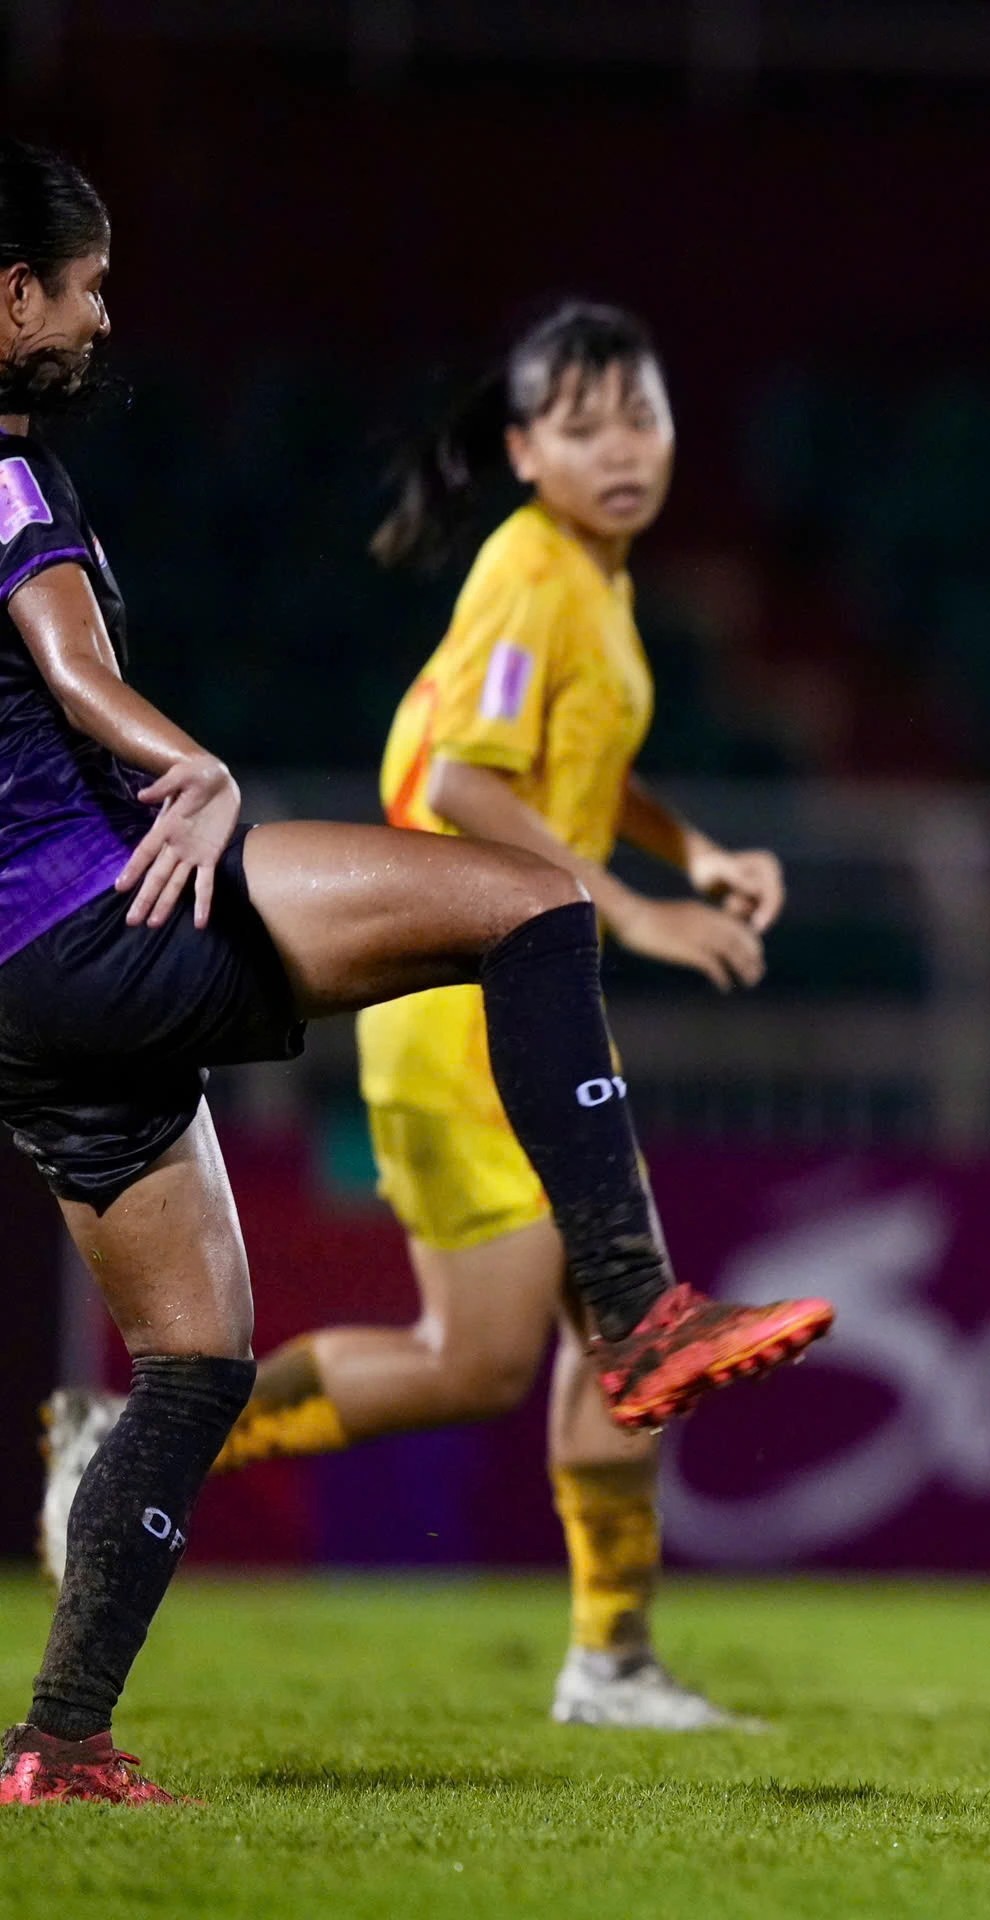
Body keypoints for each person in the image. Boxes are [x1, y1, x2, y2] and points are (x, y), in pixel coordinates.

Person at [0, 141, 833, 1806]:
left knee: (195, 1365)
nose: (102, 317)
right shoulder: (11, 478)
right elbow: (74, 662)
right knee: (529, 910)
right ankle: (644, 1316)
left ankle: (58, 1745)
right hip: (103, 914)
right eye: (83, 287)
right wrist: (192, 763)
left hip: (27, 1005)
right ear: (12, 295)